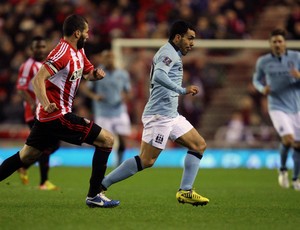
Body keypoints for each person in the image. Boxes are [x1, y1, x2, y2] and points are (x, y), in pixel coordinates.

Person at [0, 14, 120, 208]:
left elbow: (88, 73)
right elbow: (38, 79)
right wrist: (46, 103)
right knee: (107, 139)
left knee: (27, 156)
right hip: (56, 115)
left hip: (49, 117)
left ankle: (94, 194)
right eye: (87, 32)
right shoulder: (62, 52)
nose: (89, 36)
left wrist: (95, 75)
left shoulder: (78, 51)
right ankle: (94, 194)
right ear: (77, 33)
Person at [100, 20, 209, 206]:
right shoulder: (168, 53)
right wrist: (182, 90)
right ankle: (100, 186)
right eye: (190, 38)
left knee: (198, 145)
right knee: (146, 160)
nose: (192, 43)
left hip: (171, 114)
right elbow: (159, 75)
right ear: (177, 37)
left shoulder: (173, 53)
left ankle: (186, 191)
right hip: (159, 115)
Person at [252, 28, 300, 191]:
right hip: (277, 106)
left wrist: (298, 76)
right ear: (270, 44)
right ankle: (282, 169)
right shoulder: (263, 62)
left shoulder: (296, 57)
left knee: (298, 145)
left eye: (280, 41)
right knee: (288, 139)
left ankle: (295, 178)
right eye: (274, 42)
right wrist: (261, 88)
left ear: (285, 42)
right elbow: (256, 79)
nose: (278, 44)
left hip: (296, 106)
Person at [16, 36, 59, 190]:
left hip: (46, 111)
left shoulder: (45, 64)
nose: (41, 50)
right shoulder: (27, 66)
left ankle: (24, 166)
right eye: (37, 47)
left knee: (52, 145)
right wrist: (33, 103)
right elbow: (21, 88)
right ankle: (44, 182)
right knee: (46, 145)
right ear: (31, 49)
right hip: (33, 112)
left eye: (43, 47)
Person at [80, 50, 132, 167]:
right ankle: (102, 163)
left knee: (123, 139)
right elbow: (85, 87)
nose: (109, 60)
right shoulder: (97, 73)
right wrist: (95, 96)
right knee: (103, 141)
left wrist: (125, 97)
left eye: (111, 57)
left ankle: (119, 162)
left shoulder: (122, 74)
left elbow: (128, 91)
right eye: (106, 58)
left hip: (119, 110)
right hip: (103, 112)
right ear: (103, 60)